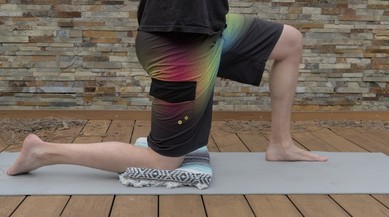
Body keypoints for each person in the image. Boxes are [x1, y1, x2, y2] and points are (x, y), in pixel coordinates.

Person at [7, 0, 327, 176]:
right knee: (163, 161)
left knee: (290, 41)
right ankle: (43, 152)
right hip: (177, 44)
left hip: (213, 31)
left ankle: (280, 145)